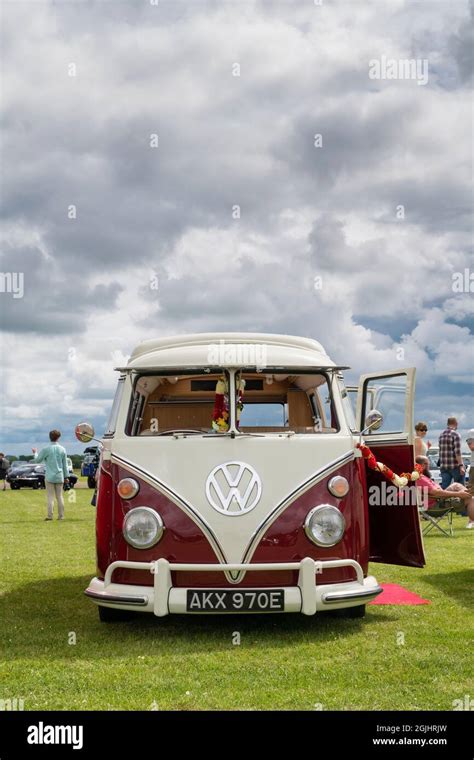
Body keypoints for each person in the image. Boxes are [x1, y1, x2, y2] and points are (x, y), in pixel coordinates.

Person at [416, 456, 474, 529]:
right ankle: (472, 521)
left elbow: (436, 492)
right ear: (423, 465)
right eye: (428, 464)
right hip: (436, 506)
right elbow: (436, 493)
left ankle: (467, 494)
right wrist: (458, 494)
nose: (429, 466)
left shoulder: (420, 476)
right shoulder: (421, 478)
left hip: (435, 501)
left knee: (456, 485)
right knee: (470, 498)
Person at [32, 430, 69, 521]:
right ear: (58, 438)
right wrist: (66, 476)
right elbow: (65, 465)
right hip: (60, 476)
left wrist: (35, 452)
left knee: (50, 497)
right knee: (60, 497)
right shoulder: (62, 449)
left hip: (49, 476)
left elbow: (37, 460)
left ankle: (50, 516)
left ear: (49, 437)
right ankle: (61, 516)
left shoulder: (46, 449)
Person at [438, 417, 465, 489]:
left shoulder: (441, 435)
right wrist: (461, 466)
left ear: (447, 424)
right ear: (456, 424)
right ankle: (460, 500)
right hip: (455, 466)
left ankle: (443, 500)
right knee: (460, 488)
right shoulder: (455, 434)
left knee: (445, 488)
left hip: (444, 466)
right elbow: (457, 452)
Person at [467, 429, 474, 497]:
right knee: (471, 490)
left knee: (471, 490)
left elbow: (471, 446)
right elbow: (472, 447)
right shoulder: (471, 432)